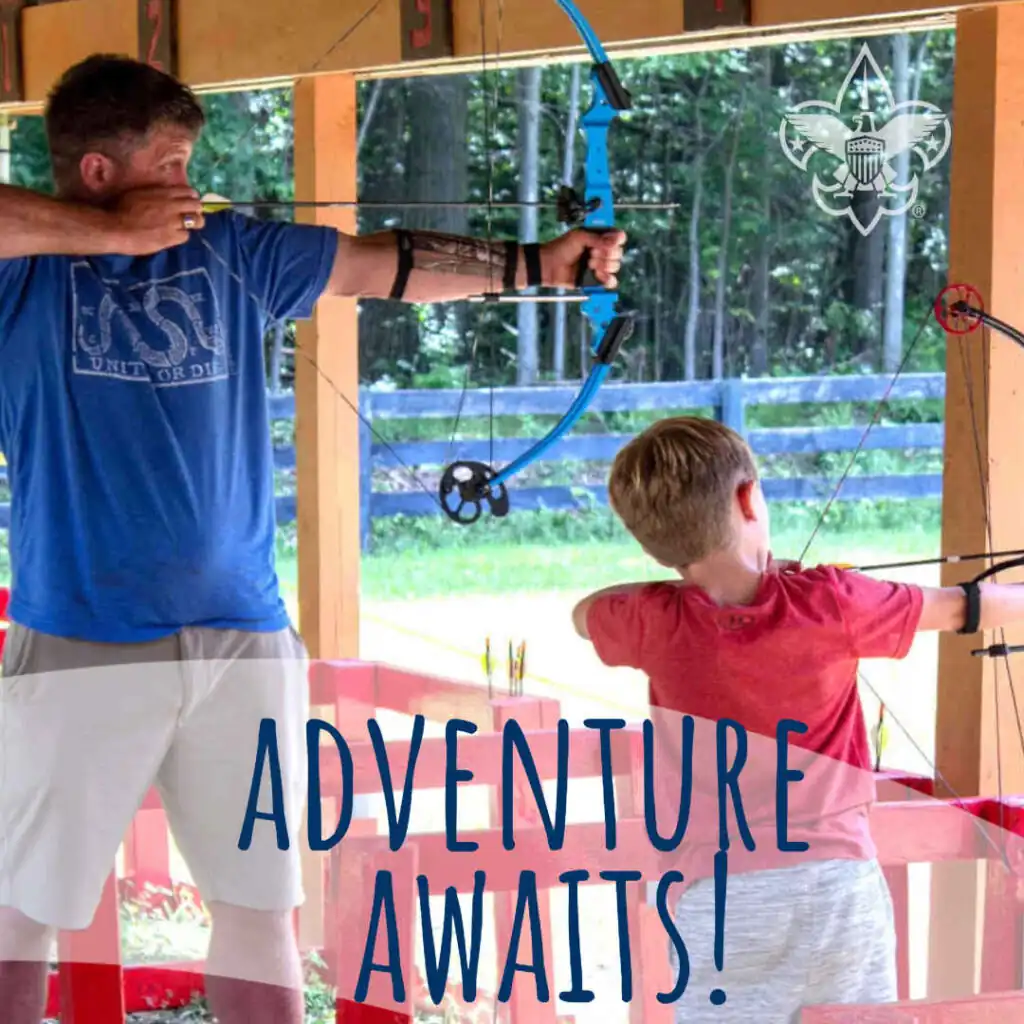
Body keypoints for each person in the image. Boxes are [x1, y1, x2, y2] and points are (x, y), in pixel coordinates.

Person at [0, 53, 626, 1024]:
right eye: (168, 164)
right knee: (20, 912)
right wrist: (106, 238)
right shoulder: (24, 274)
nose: (187, 183)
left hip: (243, 636)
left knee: (260, 904)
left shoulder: (229, 251)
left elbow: (386, 263)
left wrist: (538, 265)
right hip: (82, 633)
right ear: (96, 173)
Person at [570, 415, 1024, 1023]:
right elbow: (965, 608)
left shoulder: (650, 620)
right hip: (836, 886)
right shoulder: (831, 601)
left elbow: (585, 612)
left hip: (719, 900)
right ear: (748, 498)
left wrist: (676, 587)